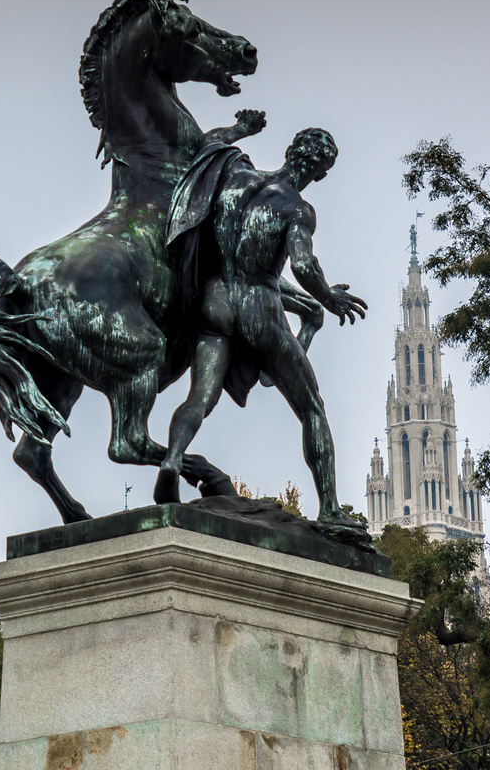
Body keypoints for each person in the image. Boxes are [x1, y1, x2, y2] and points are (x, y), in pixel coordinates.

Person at [154, 128, 367, 529]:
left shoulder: (236, 176)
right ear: (320, 173)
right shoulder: (298, 209)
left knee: (200, 398)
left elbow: (206, 149)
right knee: (312, 408)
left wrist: (237, 130)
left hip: (214, 299)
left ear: (290, 150)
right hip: (258, 305)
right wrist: (328, 298)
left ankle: (172, 458)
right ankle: (331, 510)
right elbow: (303, 266)